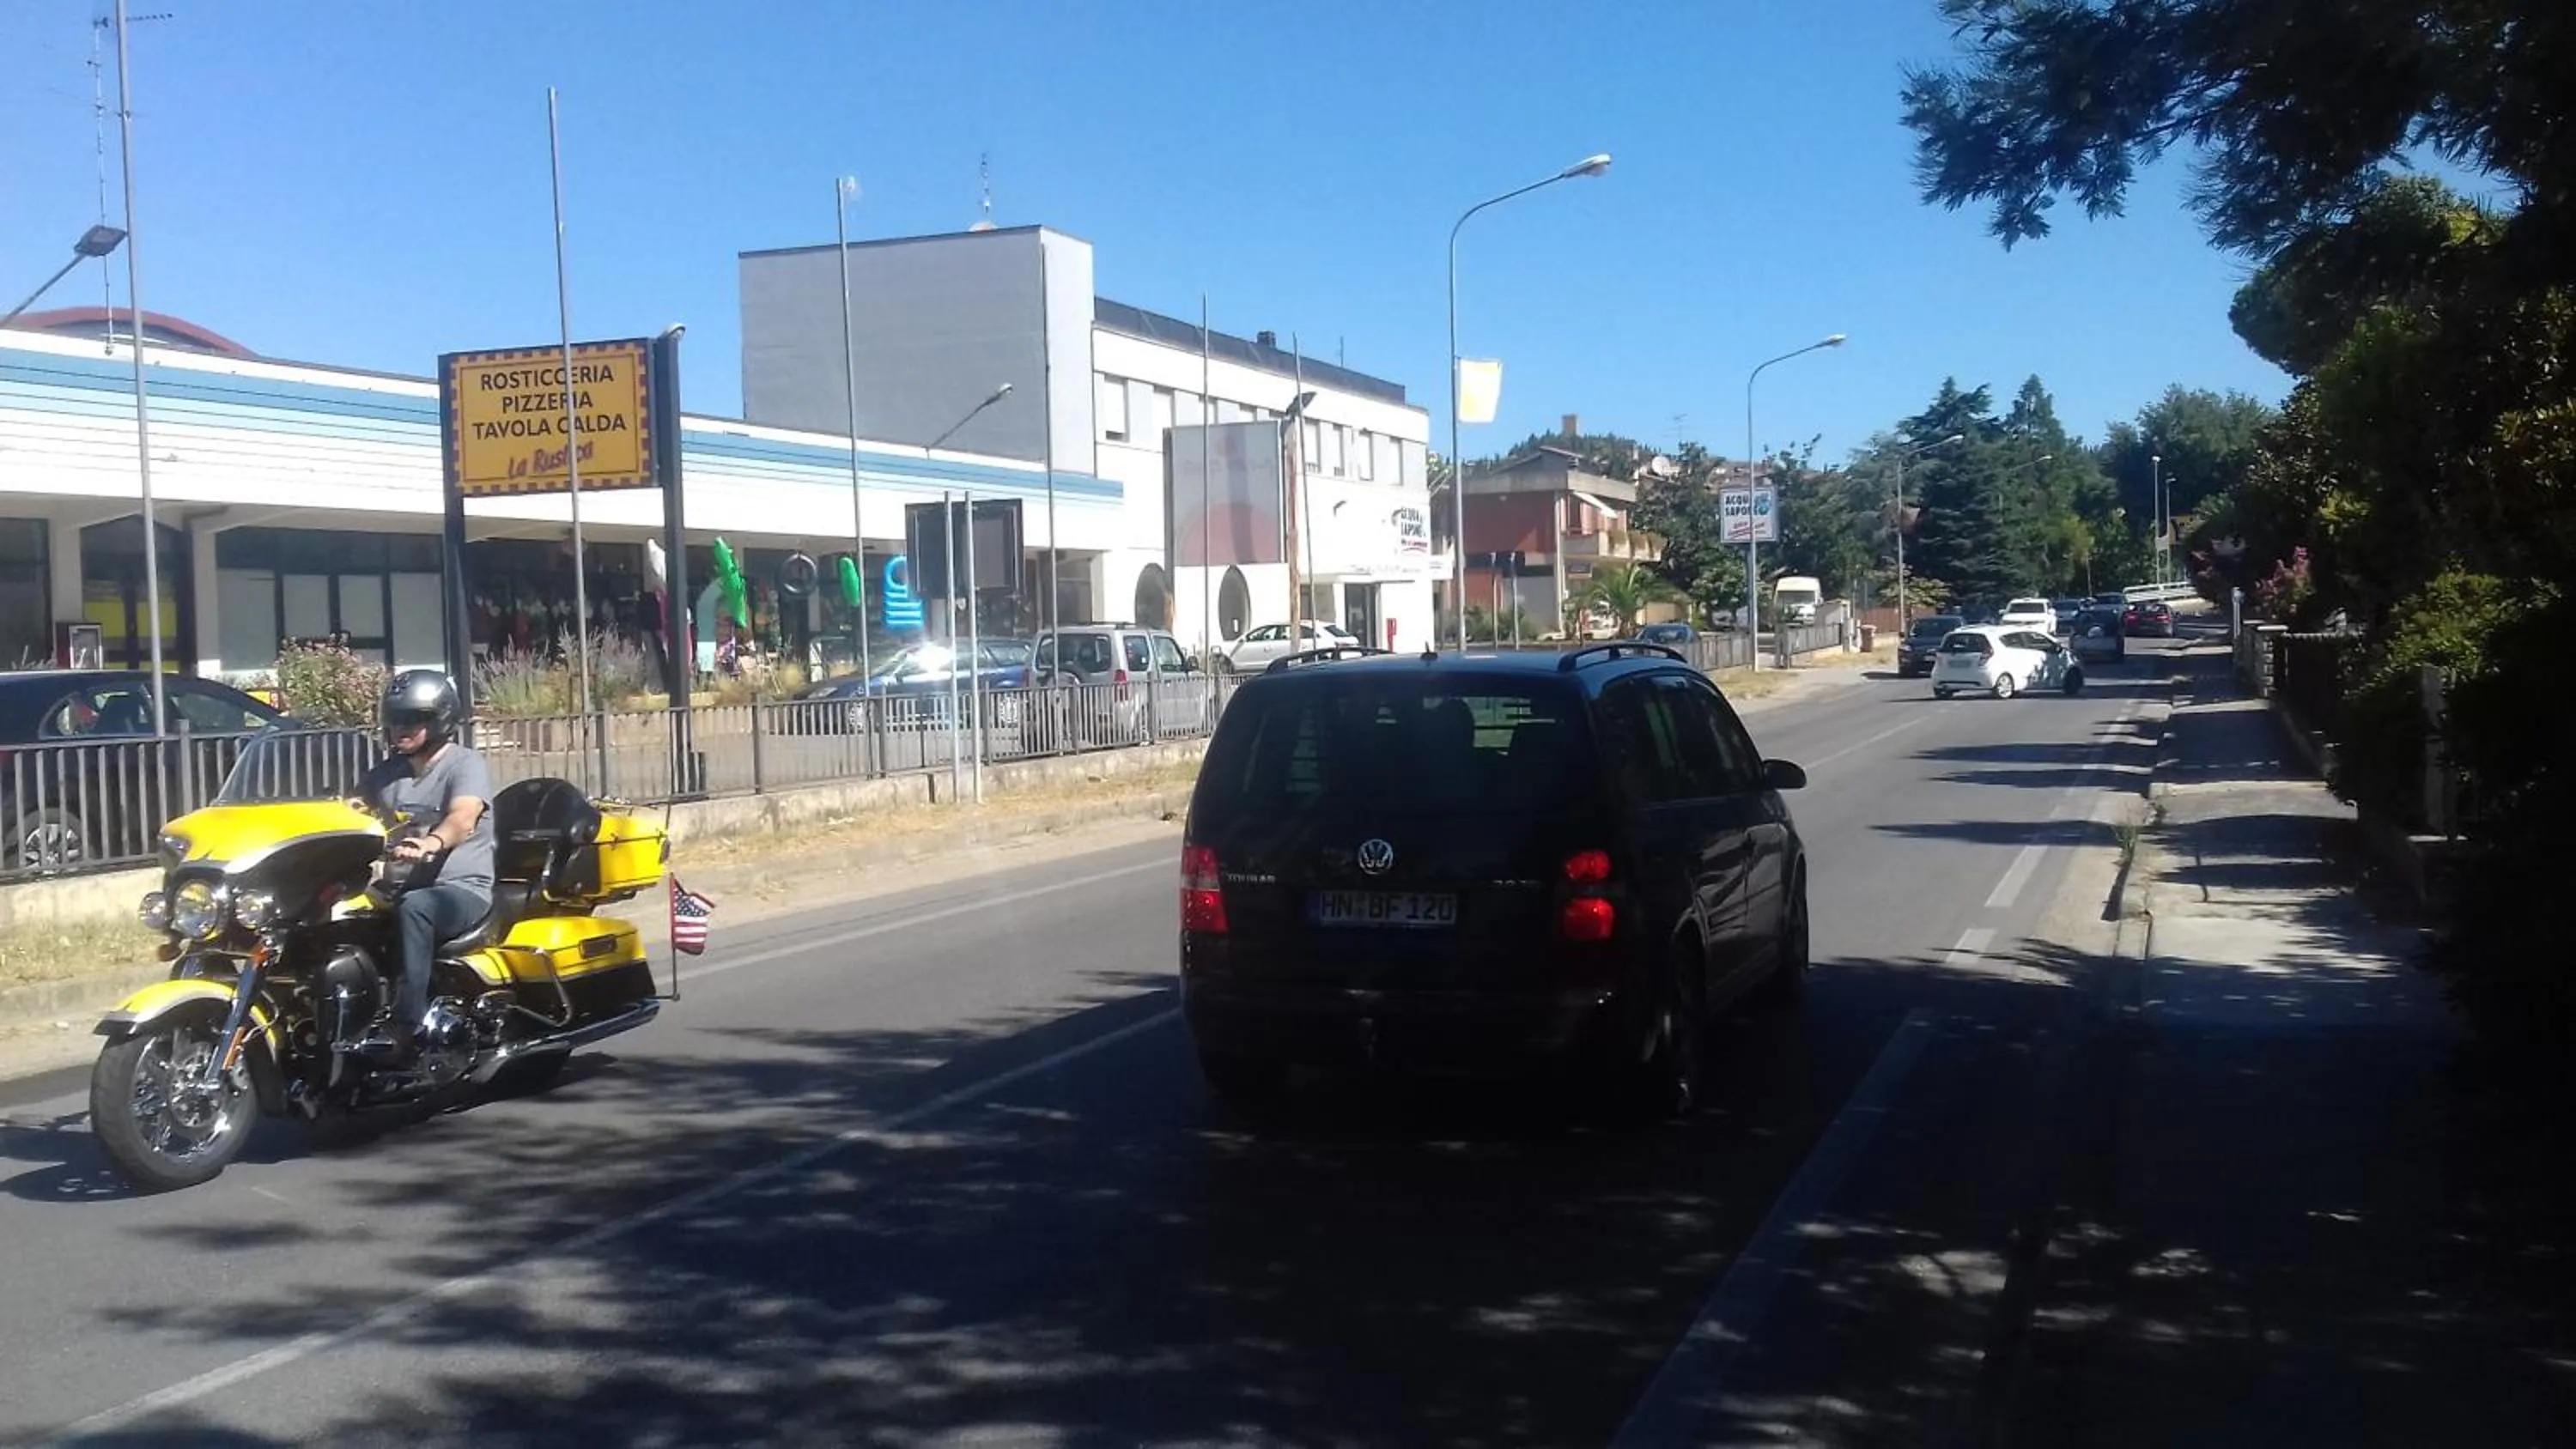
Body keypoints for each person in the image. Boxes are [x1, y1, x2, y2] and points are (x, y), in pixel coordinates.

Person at [353, 670, 495, 1065]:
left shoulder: (465, 765)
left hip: (461, 889)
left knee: (416, 907)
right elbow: (350, 812)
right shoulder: (385, 775)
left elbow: (463, 817)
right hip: (395, 888)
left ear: (439, 721)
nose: (401, 728)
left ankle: (406, 1023)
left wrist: (432, 843)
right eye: (395, 719)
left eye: (412, 720)